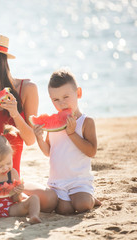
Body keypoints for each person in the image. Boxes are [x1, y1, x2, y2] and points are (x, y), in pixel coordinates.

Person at [0, 30, 57, 212]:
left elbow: (30, 140)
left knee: (51, 199)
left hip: (8, 172)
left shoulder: (27, 89)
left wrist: (15, 114)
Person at [32, 69, 100, 215]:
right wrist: (39, 138)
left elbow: (91, 151)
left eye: (66, 97)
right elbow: (48, 152)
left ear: (79, 93)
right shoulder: (54, 123)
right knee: (64, 210)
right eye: (56, 100)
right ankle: (71, 199)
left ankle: (92, 199)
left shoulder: (86, 122)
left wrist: (71, 133)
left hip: (79, 182)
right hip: (58, 183)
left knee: (83, 205)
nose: (61, 103)